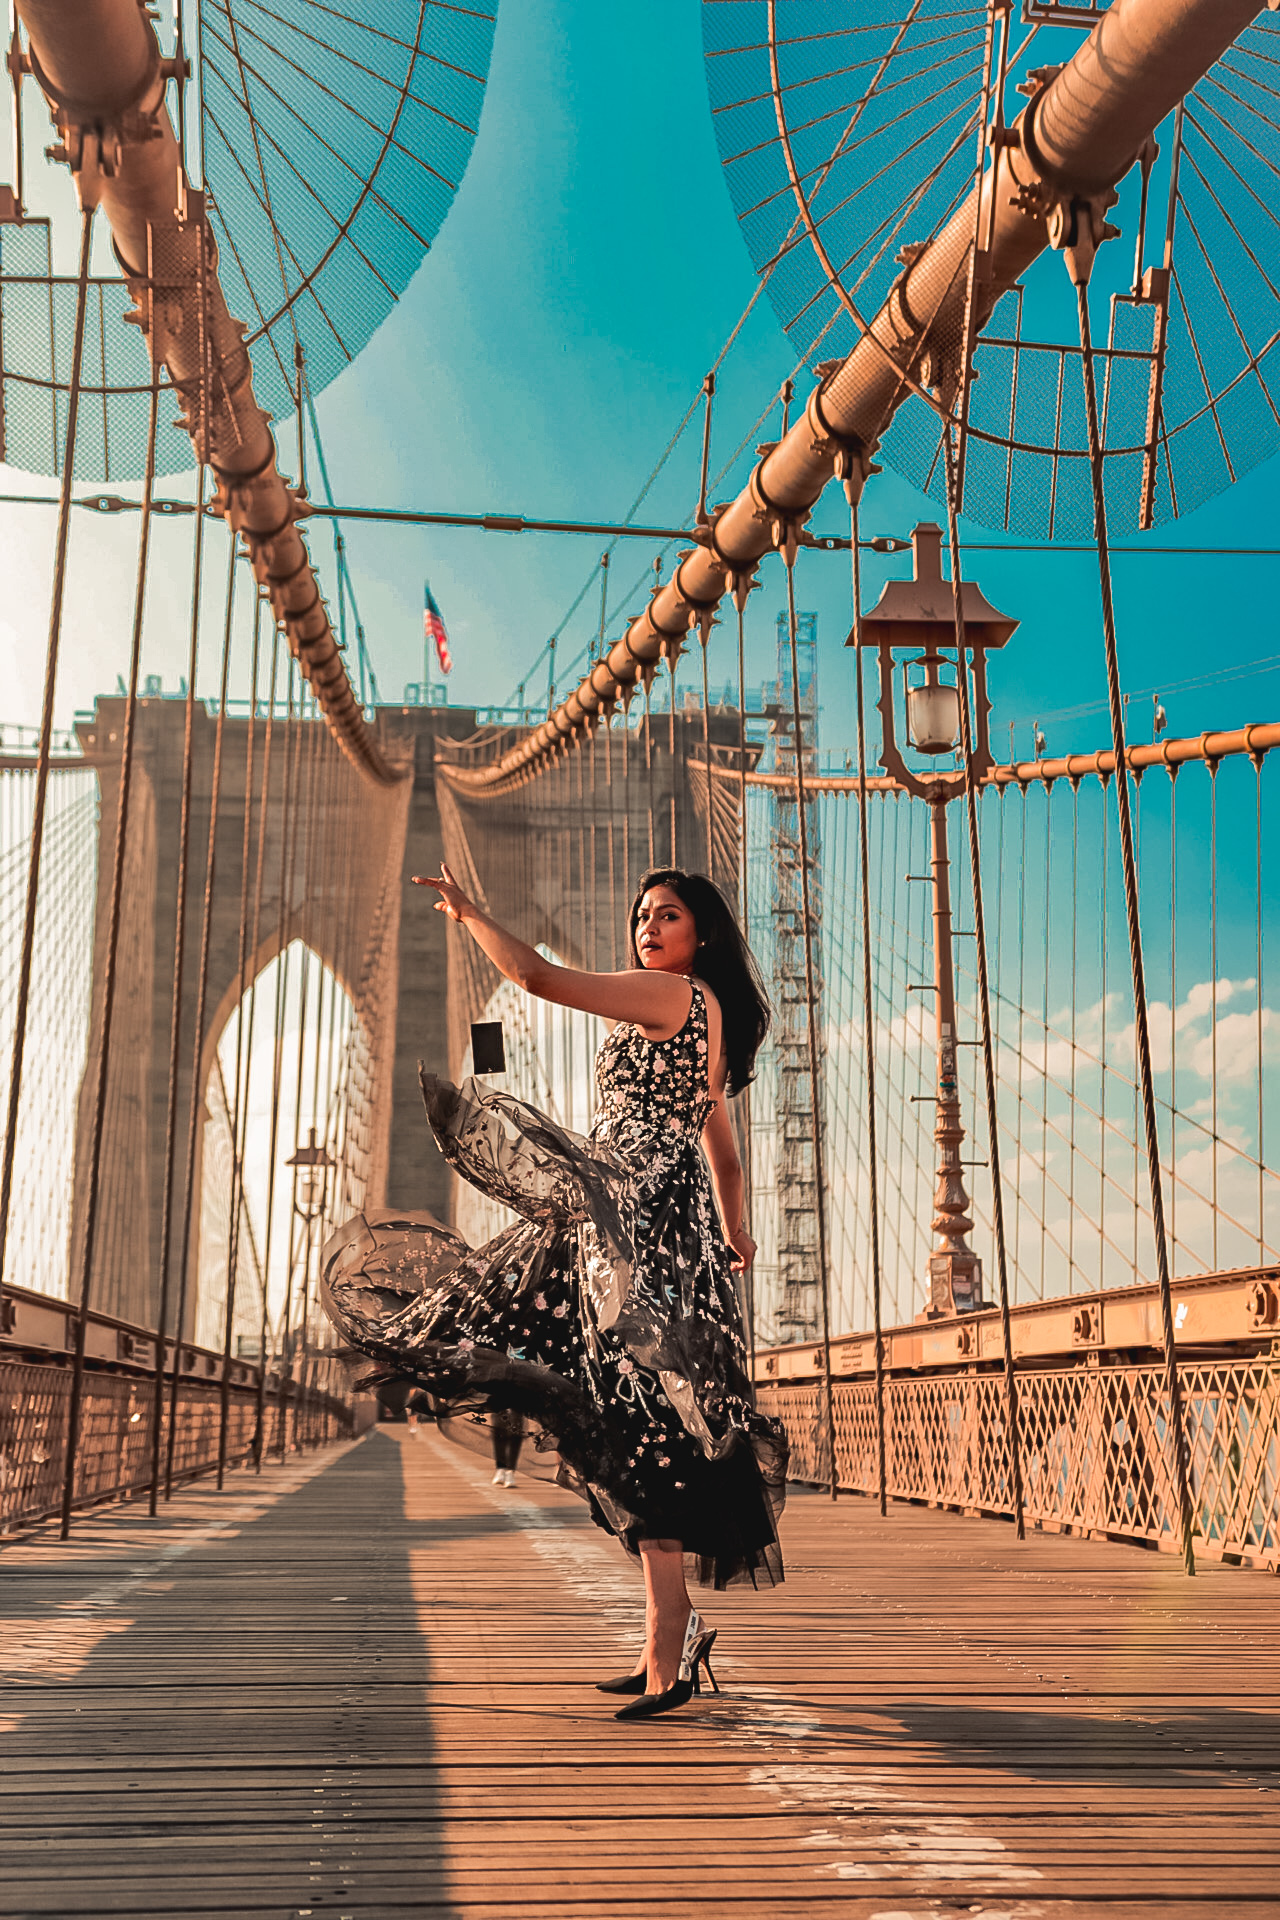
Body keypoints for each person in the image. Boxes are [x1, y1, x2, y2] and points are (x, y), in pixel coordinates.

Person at [320, 864, 787, 1722]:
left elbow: (534, 977)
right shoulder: (702, 1022)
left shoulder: (672, 996)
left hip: (634, 1228)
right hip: (647, 1223)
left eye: (668, 914)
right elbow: (720, 1145)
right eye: (641, 913)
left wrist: (469, 912)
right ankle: (663, 1640)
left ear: (702, 933)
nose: (648, 925)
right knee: (633, 1420)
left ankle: (670, 1638)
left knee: (622, 1412)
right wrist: (734, 1227)